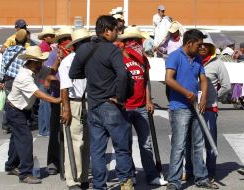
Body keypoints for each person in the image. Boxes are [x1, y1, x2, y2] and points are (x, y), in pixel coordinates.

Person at [69, 15, 134, 190]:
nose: (117, 34)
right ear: (106, 31)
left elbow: (73, 73)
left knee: (97, 151)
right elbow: (121, 74)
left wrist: (92, 74)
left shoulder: (83, 50)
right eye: (116, 30)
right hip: (111, 105)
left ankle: (99, 186)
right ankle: (125, 183)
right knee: (121, 148)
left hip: (94, 105)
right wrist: (120, 98)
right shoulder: (113, 50)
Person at [165, 29, 218, 190]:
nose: (201, 47)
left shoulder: (198, 60)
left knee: (198, 143)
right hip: (179, 107)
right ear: (189, 43)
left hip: (196, 107)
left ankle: (201, 177)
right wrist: (186, 92)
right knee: (179, 145)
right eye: (199, 44)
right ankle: (173, 182)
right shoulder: (175, 57)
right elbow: (169, 79)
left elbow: (203, 80)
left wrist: (202, 98)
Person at [4, 46, 61, 184]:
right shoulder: (24, 76)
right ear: (30, 62)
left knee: (16, 138)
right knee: (25, 139)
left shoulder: (35, 70)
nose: (41, 64)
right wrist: (56, 99)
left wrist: (58, 60)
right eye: (38, 61)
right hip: (15, 110)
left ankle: (11, 166)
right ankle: (25, 174)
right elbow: (37, 93)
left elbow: (50, 72)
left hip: (20, 109)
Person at [118, 26, 167, 186]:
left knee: (146, 143)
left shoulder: (143, 59)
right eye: (132, 41)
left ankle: (151, 175)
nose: (136, 44)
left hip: (141, 107)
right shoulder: (118, 59)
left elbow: (145, 81)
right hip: (125, 108)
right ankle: (130, 176)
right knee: (126, 144)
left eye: (138, 41)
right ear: (124, 43)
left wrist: (148, 101)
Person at [183, 34, 231, 186]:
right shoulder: (192, 60)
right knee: (189, 141)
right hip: (190, 107)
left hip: (209, 108)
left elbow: (226, 86)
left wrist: (213, 97)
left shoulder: (217, 64)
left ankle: (210, 173)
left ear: (211, 48)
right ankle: (189, 171)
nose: (203, 47)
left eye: (207, 45)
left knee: (210, 143)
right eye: (201, 45)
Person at [59, 28, 92, 190]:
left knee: (86, 142)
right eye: (85, 43)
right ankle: (73, 179)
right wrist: (66, 109)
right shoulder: (67, 62)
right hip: (73, 102)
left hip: (88, 102)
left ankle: (84, 176)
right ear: (78, 45)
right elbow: (64, 88)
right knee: (74, 142)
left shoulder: (90, 60)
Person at [45, 26, 73, 175]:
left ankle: (73, 162)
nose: (66, 43)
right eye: (63, 40)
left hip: (74, 99)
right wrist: (57, 60)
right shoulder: (52, 55)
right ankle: (54, 162)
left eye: (68, 39)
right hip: (57, 98)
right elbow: (47, 80)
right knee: (56, 132)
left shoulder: (77, 55)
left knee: (74, 133)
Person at [0, 29, 28, 134]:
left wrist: (1, 80)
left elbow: (3, 66)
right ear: (25, 41)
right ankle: (18, 125)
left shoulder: (8, 50)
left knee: (8, 102)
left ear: (15, 40)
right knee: (19, 103)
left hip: (8, 80)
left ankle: (6, 125)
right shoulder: (25, 52)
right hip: (20, 81)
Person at [37, 26, 56, 136]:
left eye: (53, 36)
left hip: (43, 79)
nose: (51, 37)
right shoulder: (44, 48)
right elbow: (44, 64)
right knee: (46, 105)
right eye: (50, 36)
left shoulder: (47, 46)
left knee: (43, 105)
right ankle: (47, 129)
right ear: (45, 37)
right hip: (44, 79)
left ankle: (42, 129)